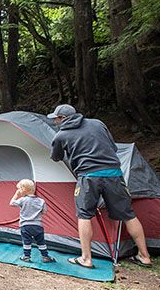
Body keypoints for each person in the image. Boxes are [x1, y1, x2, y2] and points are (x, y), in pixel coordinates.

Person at [48, 104, 152, 269]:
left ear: (64, 118)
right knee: (128, 215)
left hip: (88, 178)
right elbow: (113, 147)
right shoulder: (97, 123)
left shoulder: (60, 136)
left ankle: (86, 258)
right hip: (114, 176)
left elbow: (56, 157)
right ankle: (144, 256)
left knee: (84, 215)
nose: (55, 121)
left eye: (57, 118)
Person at [9, 179, 56, 263]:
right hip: (38, 226)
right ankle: (45, 256)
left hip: (25, 226)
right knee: (41, 242)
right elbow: (44, 212)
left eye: (19, 189)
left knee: (27, 242)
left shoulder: (22, 200)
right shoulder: (41, 201)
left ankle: (26, 257)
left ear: (23, 189)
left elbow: (11, 203)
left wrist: (16, 194)